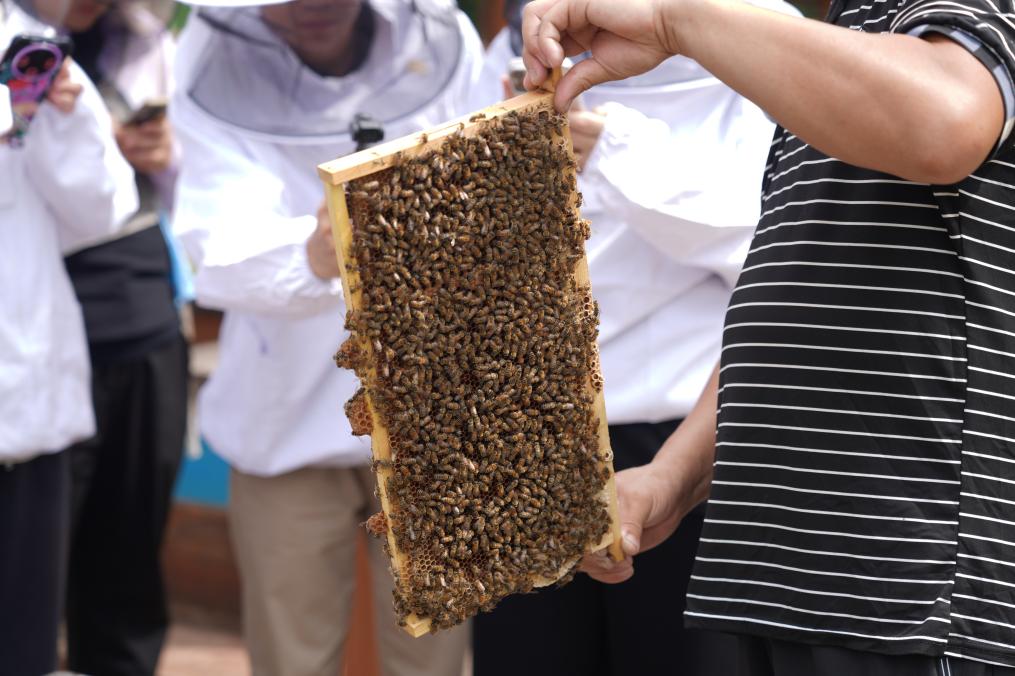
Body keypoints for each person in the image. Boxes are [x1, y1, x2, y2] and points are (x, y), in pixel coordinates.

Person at [524, 0, 1015, 673]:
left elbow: (947, 119)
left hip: (907, 591)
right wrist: (671, 476)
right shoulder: (840, 35)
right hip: (774, 586)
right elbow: (799, 304)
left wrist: (674, 21)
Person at [468, 1, 796, 674]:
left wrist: (612, 153)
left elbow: (778, 240)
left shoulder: (765, 35)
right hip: (526, 436)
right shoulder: (513, 49)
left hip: (686, 445)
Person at [171, 1, 483, 674]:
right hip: (284, 419)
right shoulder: (207, 60)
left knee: (433, 659)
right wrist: (315, 253)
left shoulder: (443, 38)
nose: (312, 6)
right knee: (293, 657)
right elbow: (214, 243)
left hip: (429, 412)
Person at [0, 0, 138, 672]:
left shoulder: (31, 47)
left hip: (26, 414)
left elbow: (102, 211)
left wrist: (62, 117)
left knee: (23, 648)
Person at [56, 1, 188, 673]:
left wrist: (166, 152)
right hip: (37, 334)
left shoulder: (147, 42)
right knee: (28, 565)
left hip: (144, 322)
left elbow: (202, 190)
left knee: (128, 561)